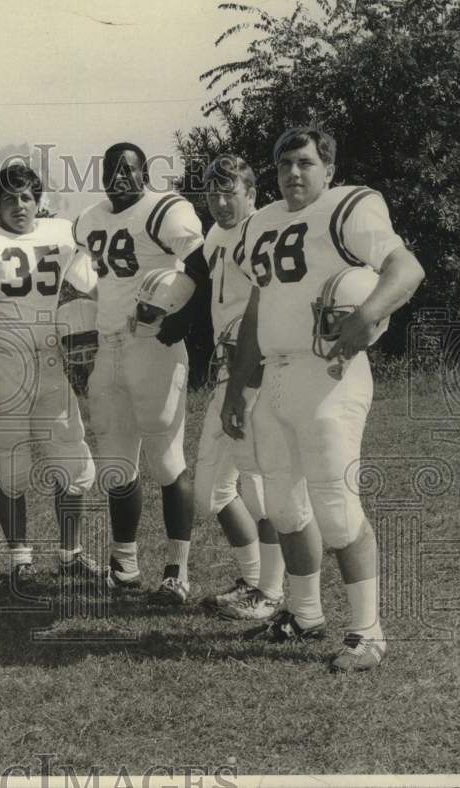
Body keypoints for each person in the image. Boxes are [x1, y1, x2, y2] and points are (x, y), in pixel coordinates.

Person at [221, 126, 424, 672]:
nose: (294, 173)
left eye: (306, 163)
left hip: (330, 375)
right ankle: (306, 615)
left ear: (329, 170)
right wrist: (240, 386)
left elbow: (407, 268)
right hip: (278, 376)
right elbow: (257, 311)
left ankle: (368, 633)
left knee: (336, 508)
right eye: (285, 163)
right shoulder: (261, 222)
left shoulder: (347, 207)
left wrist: (367, 314)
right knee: (283, 506)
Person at [73, 142, 207, 605]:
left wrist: (181, 324)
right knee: (116, 463)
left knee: (167, 460)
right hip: (107, 348)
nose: (119, 178)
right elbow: (81, 279)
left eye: (128, 170)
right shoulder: (88, 218)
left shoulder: (165, 210)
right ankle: (124, 565)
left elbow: (201, 266)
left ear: (145, 173)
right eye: (111, 169)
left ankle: (177, 571)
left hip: (151, 346)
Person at [0, 164, 99, 587]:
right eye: (8, 198)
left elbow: (94, 285)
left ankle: (70, 553)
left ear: (38, 199)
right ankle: (20, 556)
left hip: (51, 359)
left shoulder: (62, 232)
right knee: (12, 465)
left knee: (74, 463)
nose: (18, 205)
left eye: (25, 197)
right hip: (2, 359)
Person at [194, 155, 286, 621]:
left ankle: (269, 593)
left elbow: (265, 306)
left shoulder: (262, 232)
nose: (221, 200)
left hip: (255, 367)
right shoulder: (215, 235)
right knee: (211, 491)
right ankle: (252, 580)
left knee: (262, 487)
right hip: (225, 368)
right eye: (213, 191)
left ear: (252, 193)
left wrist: (250, 373)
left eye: (231, 190)